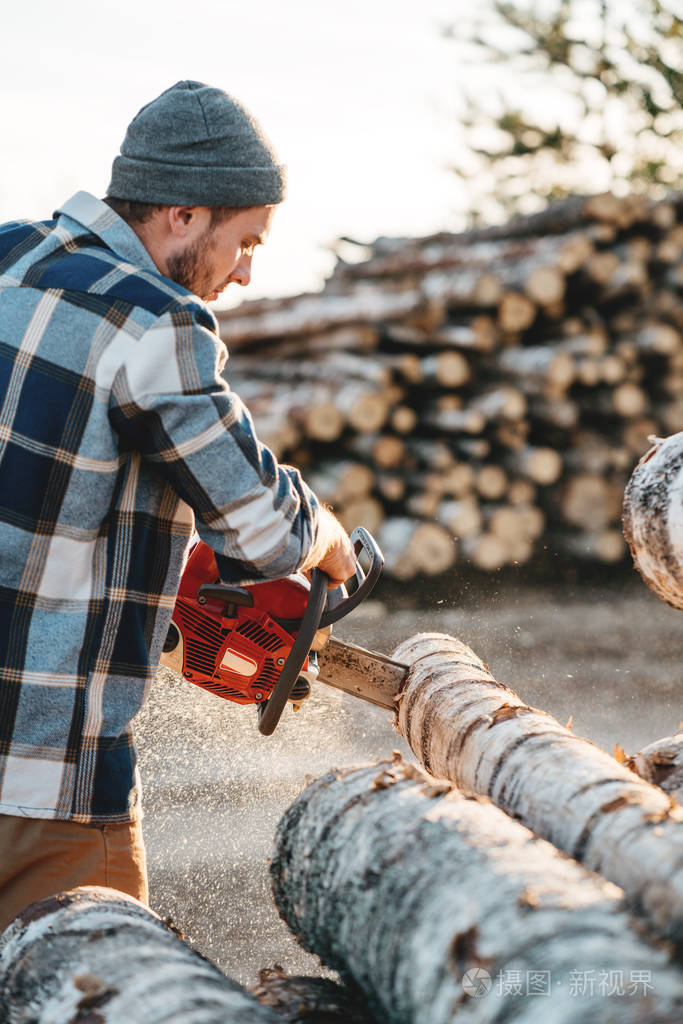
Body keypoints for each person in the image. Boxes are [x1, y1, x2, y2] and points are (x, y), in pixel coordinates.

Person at [0, 80, 356, 930]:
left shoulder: (9, 254)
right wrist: (329, 533)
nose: (246, 269)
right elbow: (263, 532)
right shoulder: (156, 321)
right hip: (43, 784)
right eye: (245, 241)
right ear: (185, 215)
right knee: (94, 986)